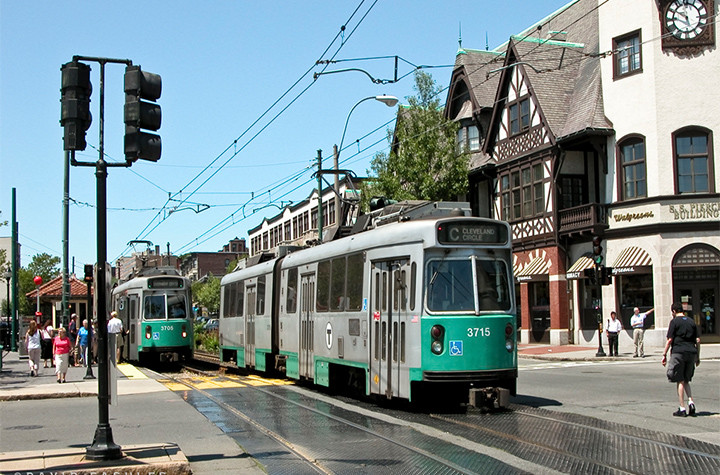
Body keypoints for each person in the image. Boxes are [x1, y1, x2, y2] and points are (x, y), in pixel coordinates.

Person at [662, 302, 700, 417]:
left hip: (679, 352)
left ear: (674, 311)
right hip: (691, 352)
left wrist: (664, 354)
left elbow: (669, 340)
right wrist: (698, 356)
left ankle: (682, 408)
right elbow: (697, 340)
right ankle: (691, 402)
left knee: (680, 380)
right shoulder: (691, 321)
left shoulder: (674, 322)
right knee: (687, 379)